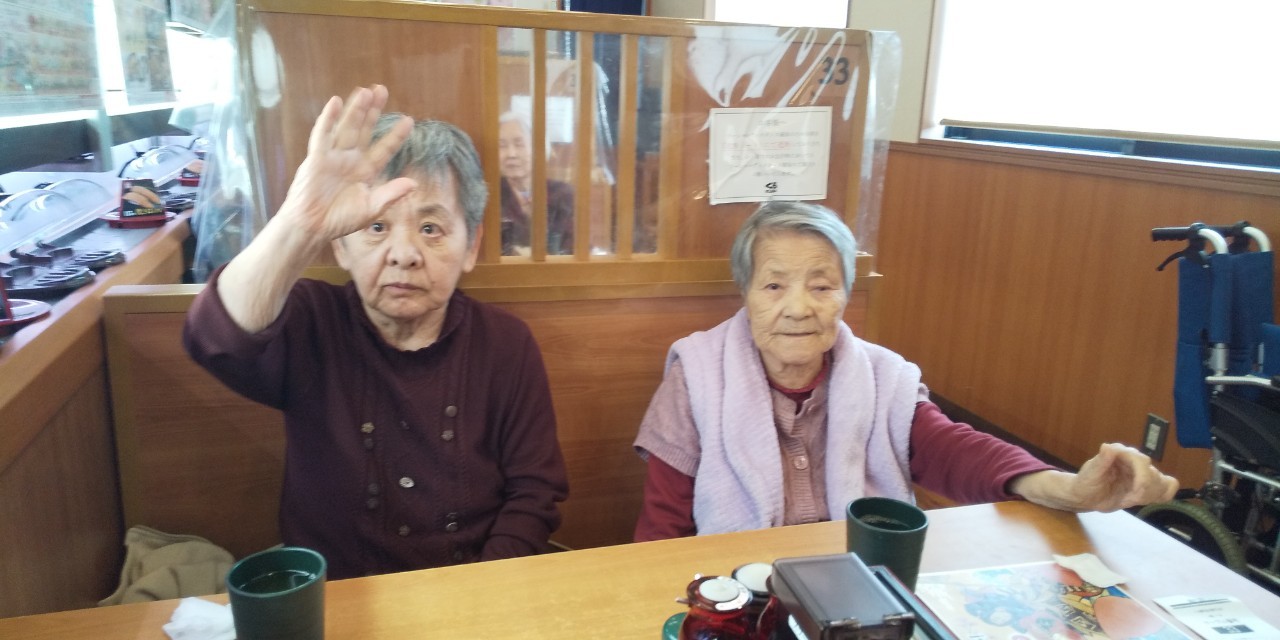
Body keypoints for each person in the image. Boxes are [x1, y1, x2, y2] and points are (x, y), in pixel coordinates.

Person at [184, 85, 569, 578]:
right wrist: (301, 224)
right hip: (335, 599)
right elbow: (214, 339)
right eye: (376, 227)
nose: (404, 254)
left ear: (471, 246)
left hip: (473, 591)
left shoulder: (506, 344)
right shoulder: (310, 321)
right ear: (340, 246)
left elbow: (534, 494)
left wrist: (476, 597)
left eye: (430, 228)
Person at [632, 201, 1178, 540]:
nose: (799, 308)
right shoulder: (697, 376)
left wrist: (1067, 488)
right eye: (774, 285)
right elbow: (663, 526)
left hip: (861, 583)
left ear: (845, 295)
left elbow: (953, 448)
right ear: (746, 292)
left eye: (822, 285)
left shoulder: (880, 376)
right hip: (738, 596)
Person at [497, 111, 574, 255]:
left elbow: (575, 248)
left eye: (519, 144)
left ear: (539, 148)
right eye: (502, 146)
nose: (511, 154)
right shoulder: (490, 195)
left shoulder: (563, 194)